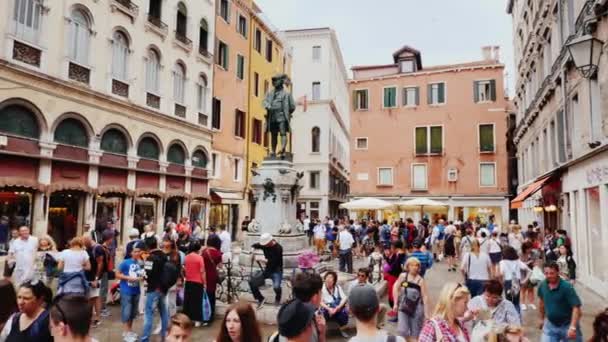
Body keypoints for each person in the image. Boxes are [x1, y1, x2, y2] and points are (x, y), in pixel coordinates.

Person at [538, 261, 583, 342]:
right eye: (546, 273)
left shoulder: (566, 287)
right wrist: (541, 319)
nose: (549, 276)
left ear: (558, 272)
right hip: (550, 325)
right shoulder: (542, 285)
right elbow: (542, 303)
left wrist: (572, 327)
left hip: (568, 324)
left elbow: (576, 307)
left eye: (552, 273)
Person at [393, 257, 430, 341]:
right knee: (402, 331)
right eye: (412, 265)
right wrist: (395, 303)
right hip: (403, 306)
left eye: (417, 265)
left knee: (415, 332)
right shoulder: (403, 276)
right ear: (408, 266)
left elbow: (425, 297)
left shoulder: (420, 280)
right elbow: (395, 287)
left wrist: (426, 313)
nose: (415, 267)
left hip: (417, 309)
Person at [141, 237, 169, 342]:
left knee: (148, 314)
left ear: (147, 246)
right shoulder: (163, 255)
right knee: (164, 312)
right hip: (163, 288)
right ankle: (164, 336)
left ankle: (145, 339)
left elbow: (147, 274)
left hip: (153, 288)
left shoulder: (150, 258)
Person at [117, 241, 144, 342]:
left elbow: (142, 275)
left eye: (138, 251)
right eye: (135, 251)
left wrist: (142, 277)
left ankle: (130, 331)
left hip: (136, 290)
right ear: (131, 253)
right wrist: (128, 278)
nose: (137, 253)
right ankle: (126, 332)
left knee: (133, 313)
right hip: (126, 290)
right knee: (126, 311)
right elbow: (117, 274)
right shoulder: (125, 262)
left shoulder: (140, 263)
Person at [249, 233, 283, 308]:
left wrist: (261, 259)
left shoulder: (278, 248)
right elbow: (254, 245)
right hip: (267, 270)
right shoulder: (264, 245)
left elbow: (274, 262)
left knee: (276, 287)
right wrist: (252, 252)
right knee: (252, 282)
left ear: (270, 241)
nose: (264, 246)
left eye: (266, 244)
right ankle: (260, 298)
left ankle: (278, 298)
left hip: (277, 270)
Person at [497, 246, 529, 313]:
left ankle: (511, 318)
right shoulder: (517, 261)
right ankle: (517, 317)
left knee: (508, 302)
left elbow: (500, 274)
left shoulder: (502, 262)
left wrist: (501, 282)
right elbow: (529, 271)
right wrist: (524, 280)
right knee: (516, 302)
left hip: (508, 282)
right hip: (517, 281)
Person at [83, 234, 105, 327]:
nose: (84, 244)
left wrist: (96, 278)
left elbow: (100, 263)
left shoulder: (97, 248)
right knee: (93, 297)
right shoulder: (88, 248)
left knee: (94, 297)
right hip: (88, 276)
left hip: (94, 277)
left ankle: (95, 318)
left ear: (89, 240)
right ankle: (94, 318)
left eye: (85, 242)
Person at [183, 240, 206, 326]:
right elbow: (202, 271)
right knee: (197, 302)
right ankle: (197, 320)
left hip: (188, 281)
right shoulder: (200, 258)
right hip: (198, 282)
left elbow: (184, 268)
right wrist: (205, 283)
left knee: (188, 301)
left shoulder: (186, 257)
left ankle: (187, 319)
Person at [320, 271, 349, 338]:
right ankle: (322, 334)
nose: (328, 280)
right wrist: (329, 309)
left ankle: (342, 330)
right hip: (327, 308)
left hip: (337, 307)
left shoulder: (337, 287)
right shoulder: (322, 288)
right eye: (327, 278)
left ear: (334, 281)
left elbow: (344, 298)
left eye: (331, 278)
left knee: (344, 313)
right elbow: (320, 302)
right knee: (322, 314)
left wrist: (338, 307)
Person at [202, 235, 223, 324]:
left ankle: (204, 316)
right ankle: (210, 316)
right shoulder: (218, 253)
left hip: (203, 276)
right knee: (211, 297)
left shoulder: (204, 252)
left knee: (204, 297)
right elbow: (220, 266)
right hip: (212, 277)